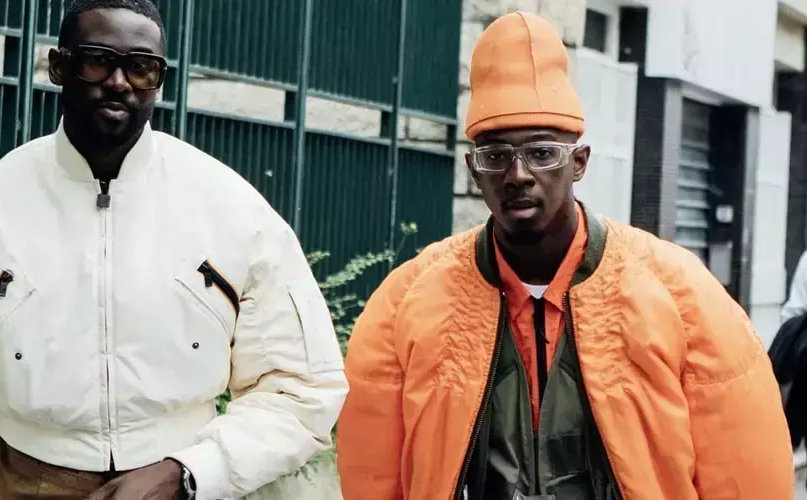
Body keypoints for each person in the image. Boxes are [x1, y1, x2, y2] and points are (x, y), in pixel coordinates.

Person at [0, 1, 348, 498]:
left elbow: (303, 387)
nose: (119, 81)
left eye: (142, 67)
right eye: (97, 59)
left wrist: (189, 472)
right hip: (30, 484)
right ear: (58, 66)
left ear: (160, 80)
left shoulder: (228, 208)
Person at [335, 11, 794, 500]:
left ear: (579, 162)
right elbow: (373, 478)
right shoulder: (406, 304)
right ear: (473, 170)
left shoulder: (683, 298)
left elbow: (748, 478)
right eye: (495, 155)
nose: (518, 175)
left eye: (541, 152)